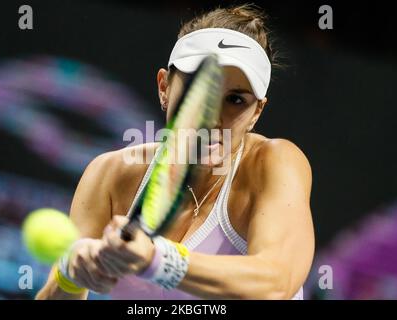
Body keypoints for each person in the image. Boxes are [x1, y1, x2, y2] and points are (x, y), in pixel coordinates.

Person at [36, 4, 314, 300]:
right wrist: (69, 275)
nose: (212, 117)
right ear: (164, 87)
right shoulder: (110, 174)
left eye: (235, 99)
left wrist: (157, 259)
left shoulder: (276, 162)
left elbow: (275, 284)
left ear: (257, 111)